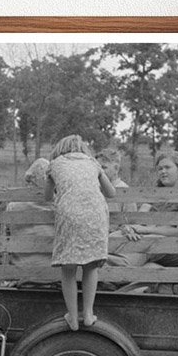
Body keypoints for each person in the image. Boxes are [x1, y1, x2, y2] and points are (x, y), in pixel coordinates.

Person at [44, 135, 116, 330]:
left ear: (61, 149)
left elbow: (46, 196)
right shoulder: (93, 163)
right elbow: (111, 193)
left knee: (68, 269)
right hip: (96, 214)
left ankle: (73, 318)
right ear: (83, 149)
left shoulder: (55, 164)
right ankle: (89, 314)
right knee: (91, 266)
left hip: (70, 214)